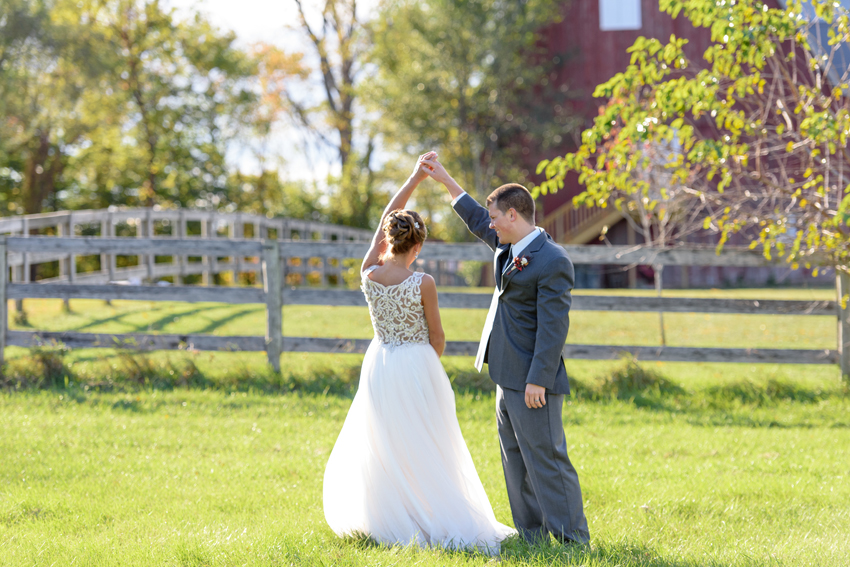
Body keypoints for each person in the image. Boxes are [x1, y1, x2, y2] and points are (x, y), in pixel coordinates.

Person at [322, 152, 516, 553]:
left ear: (389, 239)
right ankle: (433, 515)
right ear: (419, 243)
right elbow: (438, 337)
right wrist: (428, 365)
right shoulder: (423, 282)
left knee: (386, 440)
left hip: (379, 362)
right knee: (429, 442)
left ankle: (391, 516)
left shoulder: (369, 274)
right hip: (416, 362)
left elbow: (382, 220)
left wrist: (413, 179)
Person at [421, 154, 590, 545]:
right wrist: (446, 179)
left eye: (496, 217)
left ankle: (572, 540)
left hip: (532, 380)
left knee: (546, 459)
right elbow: (476, 219)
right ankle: (532, 536)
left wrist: (538, 381)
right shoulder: (506, 244)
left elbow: (553, 330)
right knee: (514, 459)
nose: (491, 223)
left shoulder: (552, 260)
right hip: (503, 371)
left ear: (513, 215)